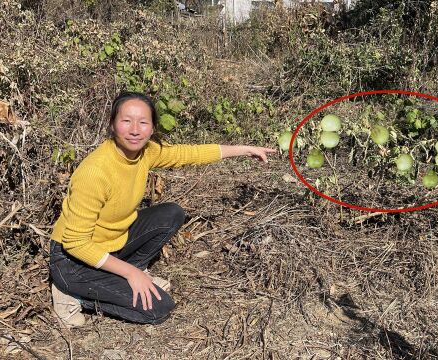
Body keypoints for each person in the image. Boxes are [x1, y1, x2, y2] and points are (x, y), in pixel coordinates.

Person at [49, 91, 276, 326]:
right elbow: (76, 243)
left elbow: (187, 154)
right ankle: (73, 293)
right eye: (126, 121)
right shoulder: (95, 172)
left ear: (152, 127)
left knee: (170, 214)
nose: (135, 129)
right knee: (158, 308)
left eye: (143, 122)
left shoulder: (144, 152)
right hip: (72, 260)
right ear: (112, 124)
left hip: (111, 242)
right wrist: (130, 273)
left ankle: (129, 270)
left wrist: (244, 149)